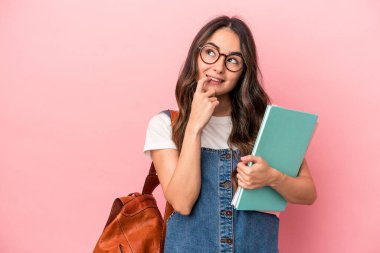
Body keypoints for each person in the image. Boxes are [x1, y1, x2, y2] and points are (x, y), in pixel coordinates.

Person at [143, 15, 317, 253]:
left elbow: (308, 193)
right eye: (211, 52)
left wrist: (272, 178)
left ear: (244, 70)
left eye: (233, 60)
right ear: (196, 56)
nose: (218, 67)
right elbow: (182, 203)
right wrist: (194, 126)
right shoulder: (165, 125)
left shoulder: (265, 125)